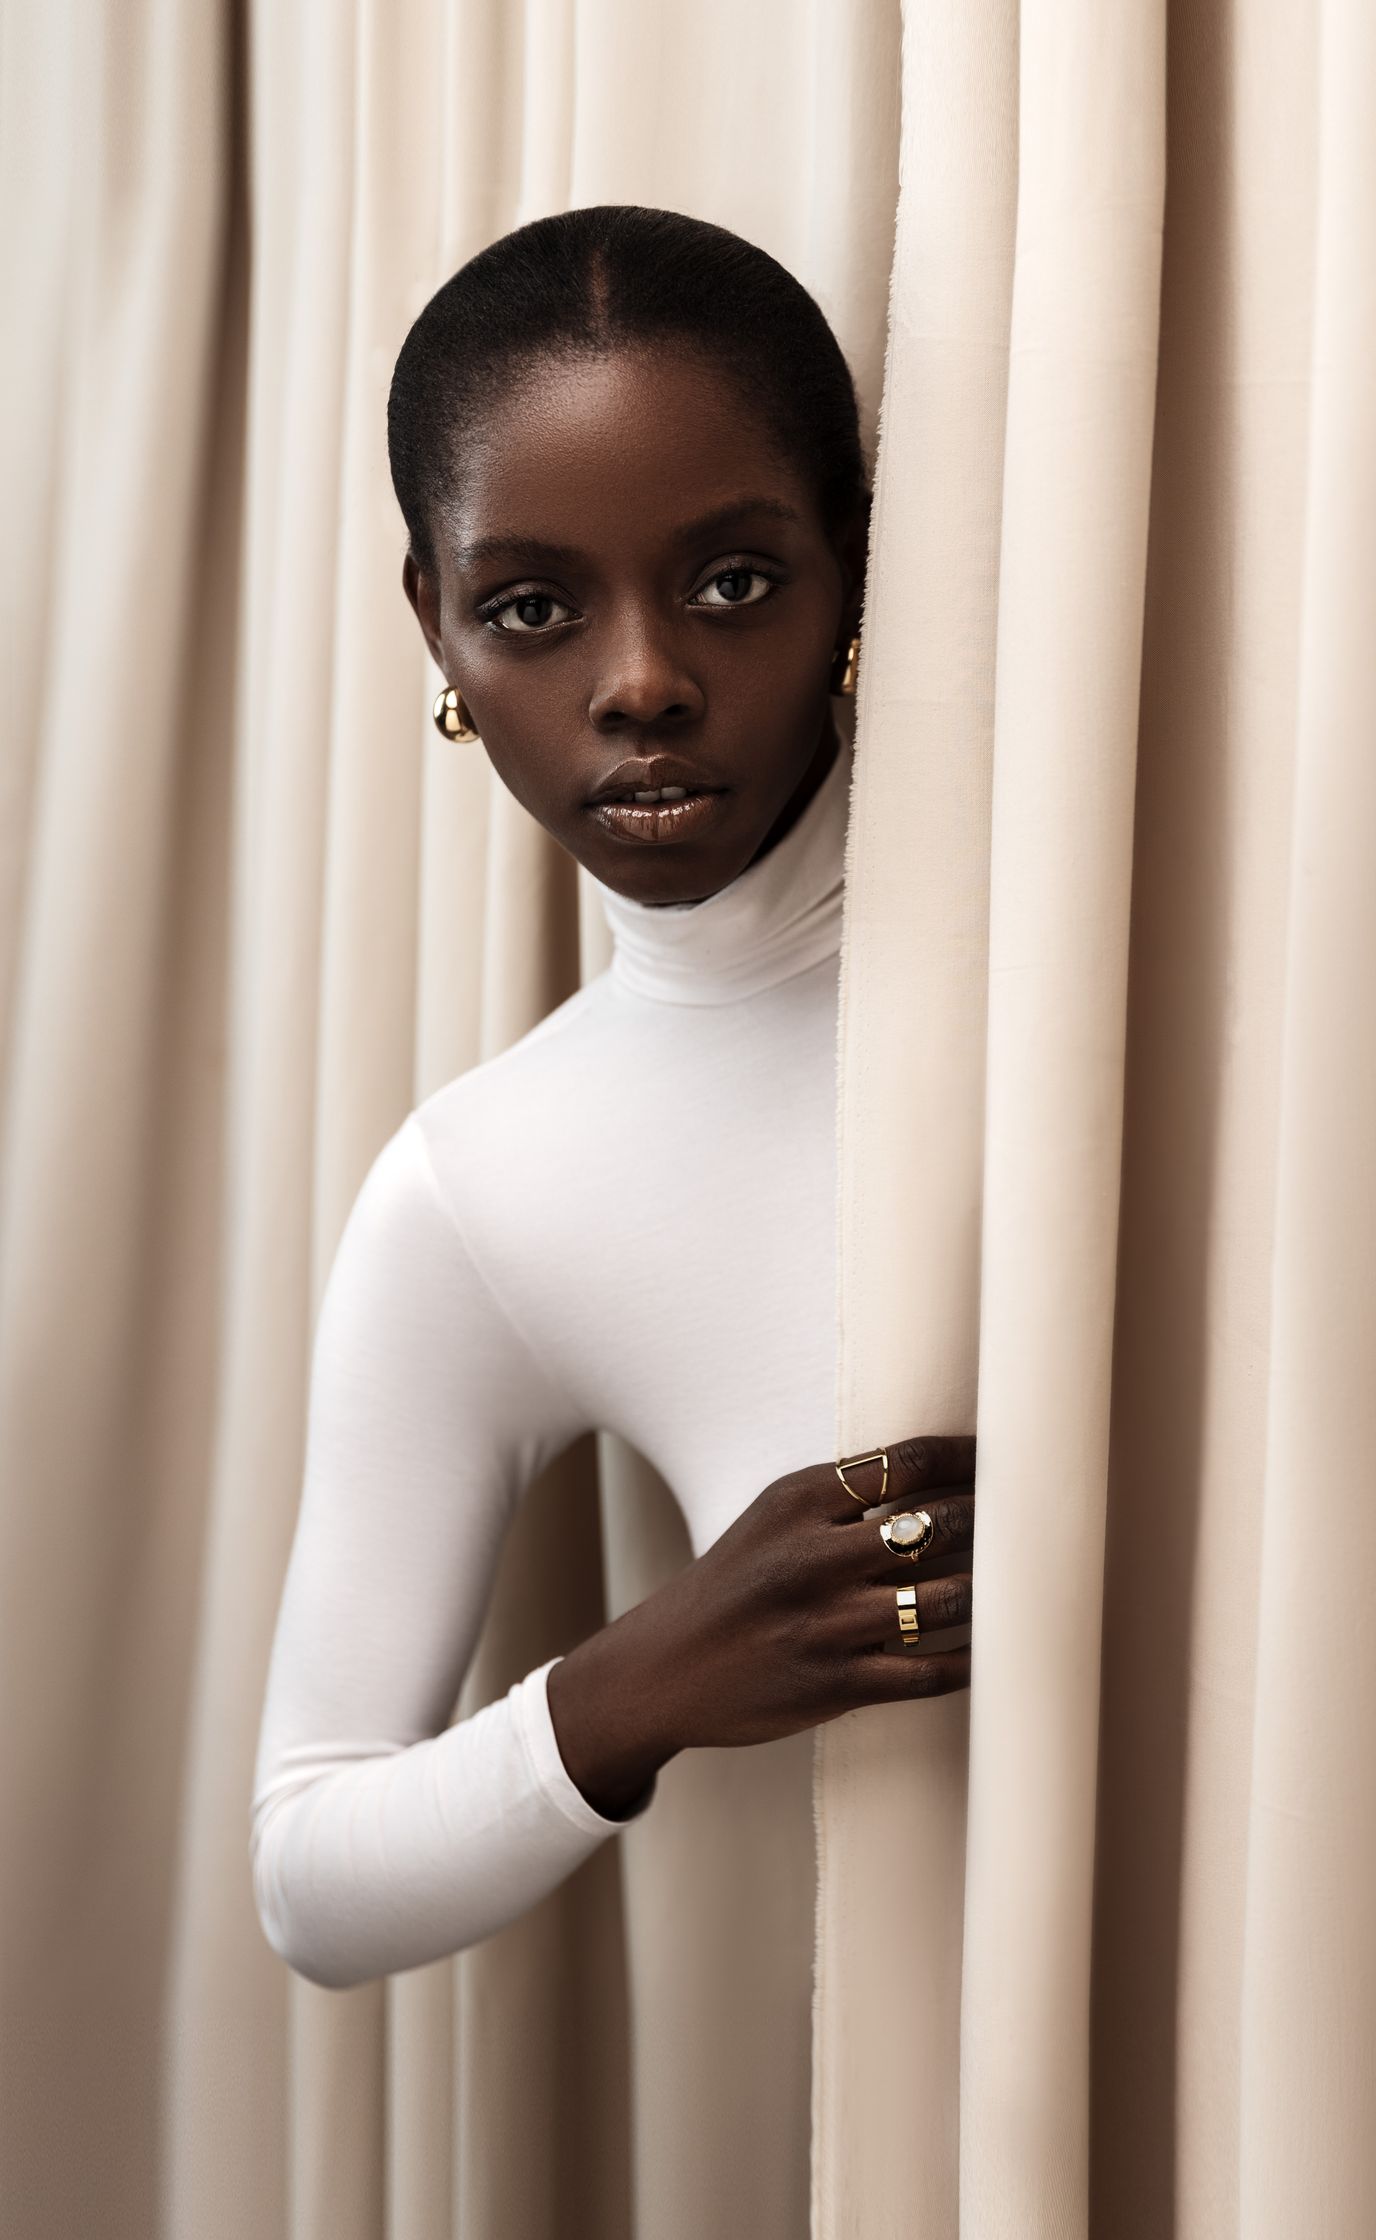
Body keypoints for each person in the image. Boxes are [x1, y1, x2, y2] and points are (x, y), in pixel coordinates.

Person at [248, 207, 976, 2008]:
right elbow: (308, 1874)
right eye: (534, 607)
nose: (641, 680)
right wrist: (636, 1688)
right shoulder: (485, 1190)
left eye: (732, 581)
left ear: (856, 569)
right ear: (436, 622)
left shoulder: (1108, 977)